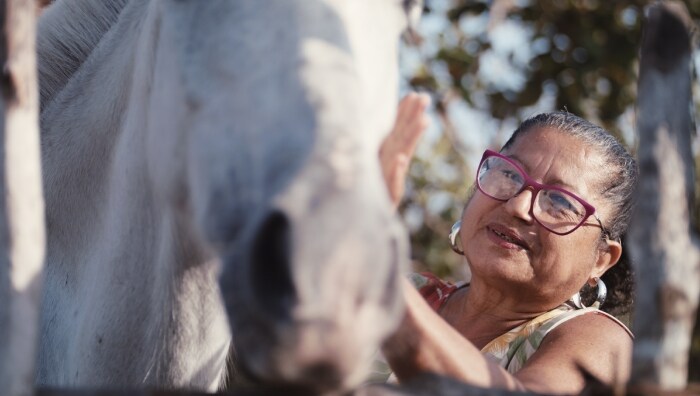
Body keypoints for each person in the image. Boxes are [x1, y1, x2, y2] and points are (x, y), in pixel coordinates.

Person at [377, 98, 637, 395]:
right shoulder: (413, 291)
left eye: (561, 201)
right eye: (509, 174)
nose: (518, 205)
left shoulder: (600, 344)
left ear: (602, 260)